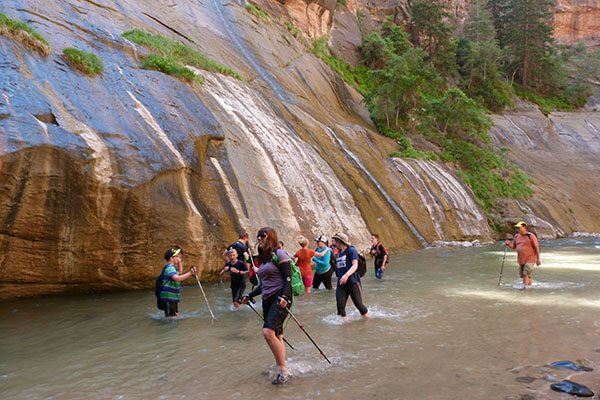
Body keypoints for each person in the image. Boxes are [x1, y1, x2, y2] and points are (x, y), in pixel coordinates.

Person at [240, 227, 292, 385]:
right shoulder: (264, 258)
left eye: (263, 236)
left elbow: (287, 279)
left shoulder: (280, 254)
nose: (260, 239)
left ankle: (283, 371)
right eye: (258, 237)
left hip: (280, 297)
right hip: (267, 299)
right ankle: (282, 365)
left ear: (271, 238)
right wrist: (250, 295)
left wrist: (285, 296)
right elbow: (265, 285)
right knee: (277, 335)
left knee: (268, 332)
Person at [332, 232, 368, 319]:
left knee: (359, 306)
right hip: (341, 283)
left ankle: (367, 321)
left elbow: (355, 265)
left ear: (340, 242)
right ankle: (344, 329)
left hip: (352, 282)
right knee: (340, 308)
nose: (334, 243)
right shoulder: (339, 253)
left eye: (335, 241)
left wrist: (347, 275)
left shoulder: (351, 250)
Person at [159, 247, 197, 317]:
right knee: (170, 318)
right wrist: (190, 273)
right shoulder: (169, 268)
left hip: (172, 297)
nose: (179, 257)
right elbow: (177, 278)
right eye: (176, 256)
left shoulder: (172, 267)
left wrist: (179, 262)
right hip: (168, 297)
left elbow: (180, 272)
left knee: (176, 315)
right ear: (171, 258)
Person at [505, 221, 541, 289]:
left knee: (525, 274)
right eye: (517, 228)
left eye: (519, 227)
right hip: (521, 260)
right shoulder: (516, 236)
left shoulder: (531, 236)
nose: (518, 229)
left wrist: (538, 259)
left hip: (530, 259)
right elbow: (513, 246)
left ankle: (525, 289)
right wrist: (508, 244)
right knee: (525, 275)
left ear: (524, 227)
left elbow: (536, 247)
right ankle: (529, 287)